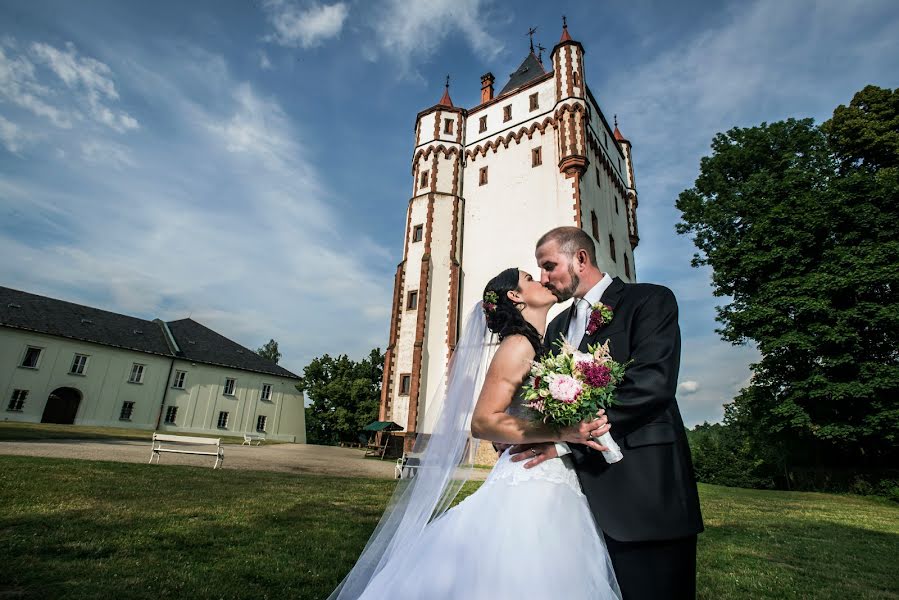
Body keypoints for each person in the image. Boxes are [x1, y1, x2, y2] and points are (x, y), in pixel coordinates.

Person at [329, 267, 621, 600]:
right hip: (530, 482)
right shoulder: (518, 345)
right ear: (515, 296)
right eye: (529, 279)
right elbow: (482, 421)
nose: (541, 280)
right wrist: (563, 430)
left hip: (551, 477)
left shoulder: (541, 346)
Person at [511, 226, 704, 599]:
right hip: (574, 511)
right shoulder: (556, 327)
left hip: (645, 495)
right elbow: (544, 396)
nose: (545, 278)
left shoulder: (649, 301)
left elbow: (652, 383)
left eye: (549, 266)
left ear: (580, 258)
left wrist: (569, 442)